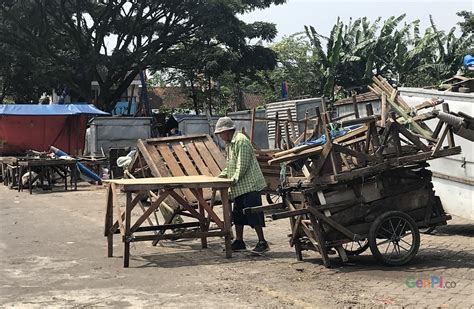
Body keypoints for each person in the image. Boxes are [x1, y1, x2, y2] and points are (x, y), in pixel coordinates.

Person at [215, 117, 269, 254]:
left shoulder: (241, 141)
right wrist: (220, 177)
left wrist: (231, 180)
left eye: (221, 133)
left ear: (227, 131)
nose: (220, 136)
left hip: (250, 184)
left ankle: (262, 242)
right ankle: (239, 241)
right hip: (239, 186)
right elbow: (230, 165)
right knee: (237, 214)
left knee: (254, 213)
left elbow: (242, 166)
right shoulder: (229, 144)